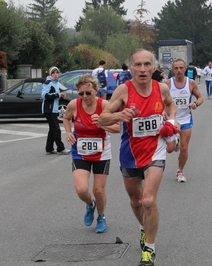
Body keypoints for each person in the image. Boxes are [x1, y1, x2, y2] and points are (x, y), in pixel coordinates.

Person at [99, 49, 178, 266]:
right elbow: (101, 120)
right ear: (131, 68)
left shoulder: (161, 88)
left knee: (148, 200)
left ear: (153, 67)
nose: (142, 69)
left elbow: (171, 105)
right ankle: (145, 228)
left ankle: (149, 250)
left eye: (146, 64)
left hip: (156, 149)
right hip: (130, 153)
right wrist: (117, 115)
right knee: (136, 201)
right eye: (138, 65)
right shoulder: (123, 90)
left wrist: (172, 121)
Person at [63, 74, 119, 233]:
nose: (85, 97)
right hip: (80, 152)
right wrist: (68, 132)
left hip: (102, 153)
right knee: (81, 189)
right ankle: (90, 205)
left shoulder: (105, 106)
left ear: (96, 91)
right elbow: (66, 118)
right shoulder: (74, 105)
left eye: (88, 93)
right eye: (81, 93)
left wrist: (102, 125)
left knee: (98, 191)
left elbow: (119, 128)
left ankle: (101, 217)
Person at [165, 59, 203, 183]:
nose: (179, 71)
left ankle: (180, 171)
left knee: (185, 148)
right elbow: (159, 100)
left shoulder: (190, 83)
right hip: (171, 119)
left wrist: (196, 103)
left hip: (186, 118)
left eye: (181, 68)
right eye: (176, 68)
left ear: (185, 69)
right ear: (172, 70)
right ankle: (175, 141)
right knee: (169, 149)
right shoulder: (167, 84)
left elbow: (200, 97)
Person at [41, 66, 71, 155]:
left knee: (52, 129)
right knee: (56, 129)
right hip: (49, 109)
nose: (55, 74)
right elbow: (44, 96)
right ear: (50, 74)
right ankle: (60, 148)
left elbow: (55, 94)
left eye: (56, 72)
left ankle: (49, 148)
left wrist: (60, 95)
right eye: (53, 73)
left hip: (53, 109)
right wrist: (57, 95)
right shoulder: (48, 83)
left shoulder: (56, 83)